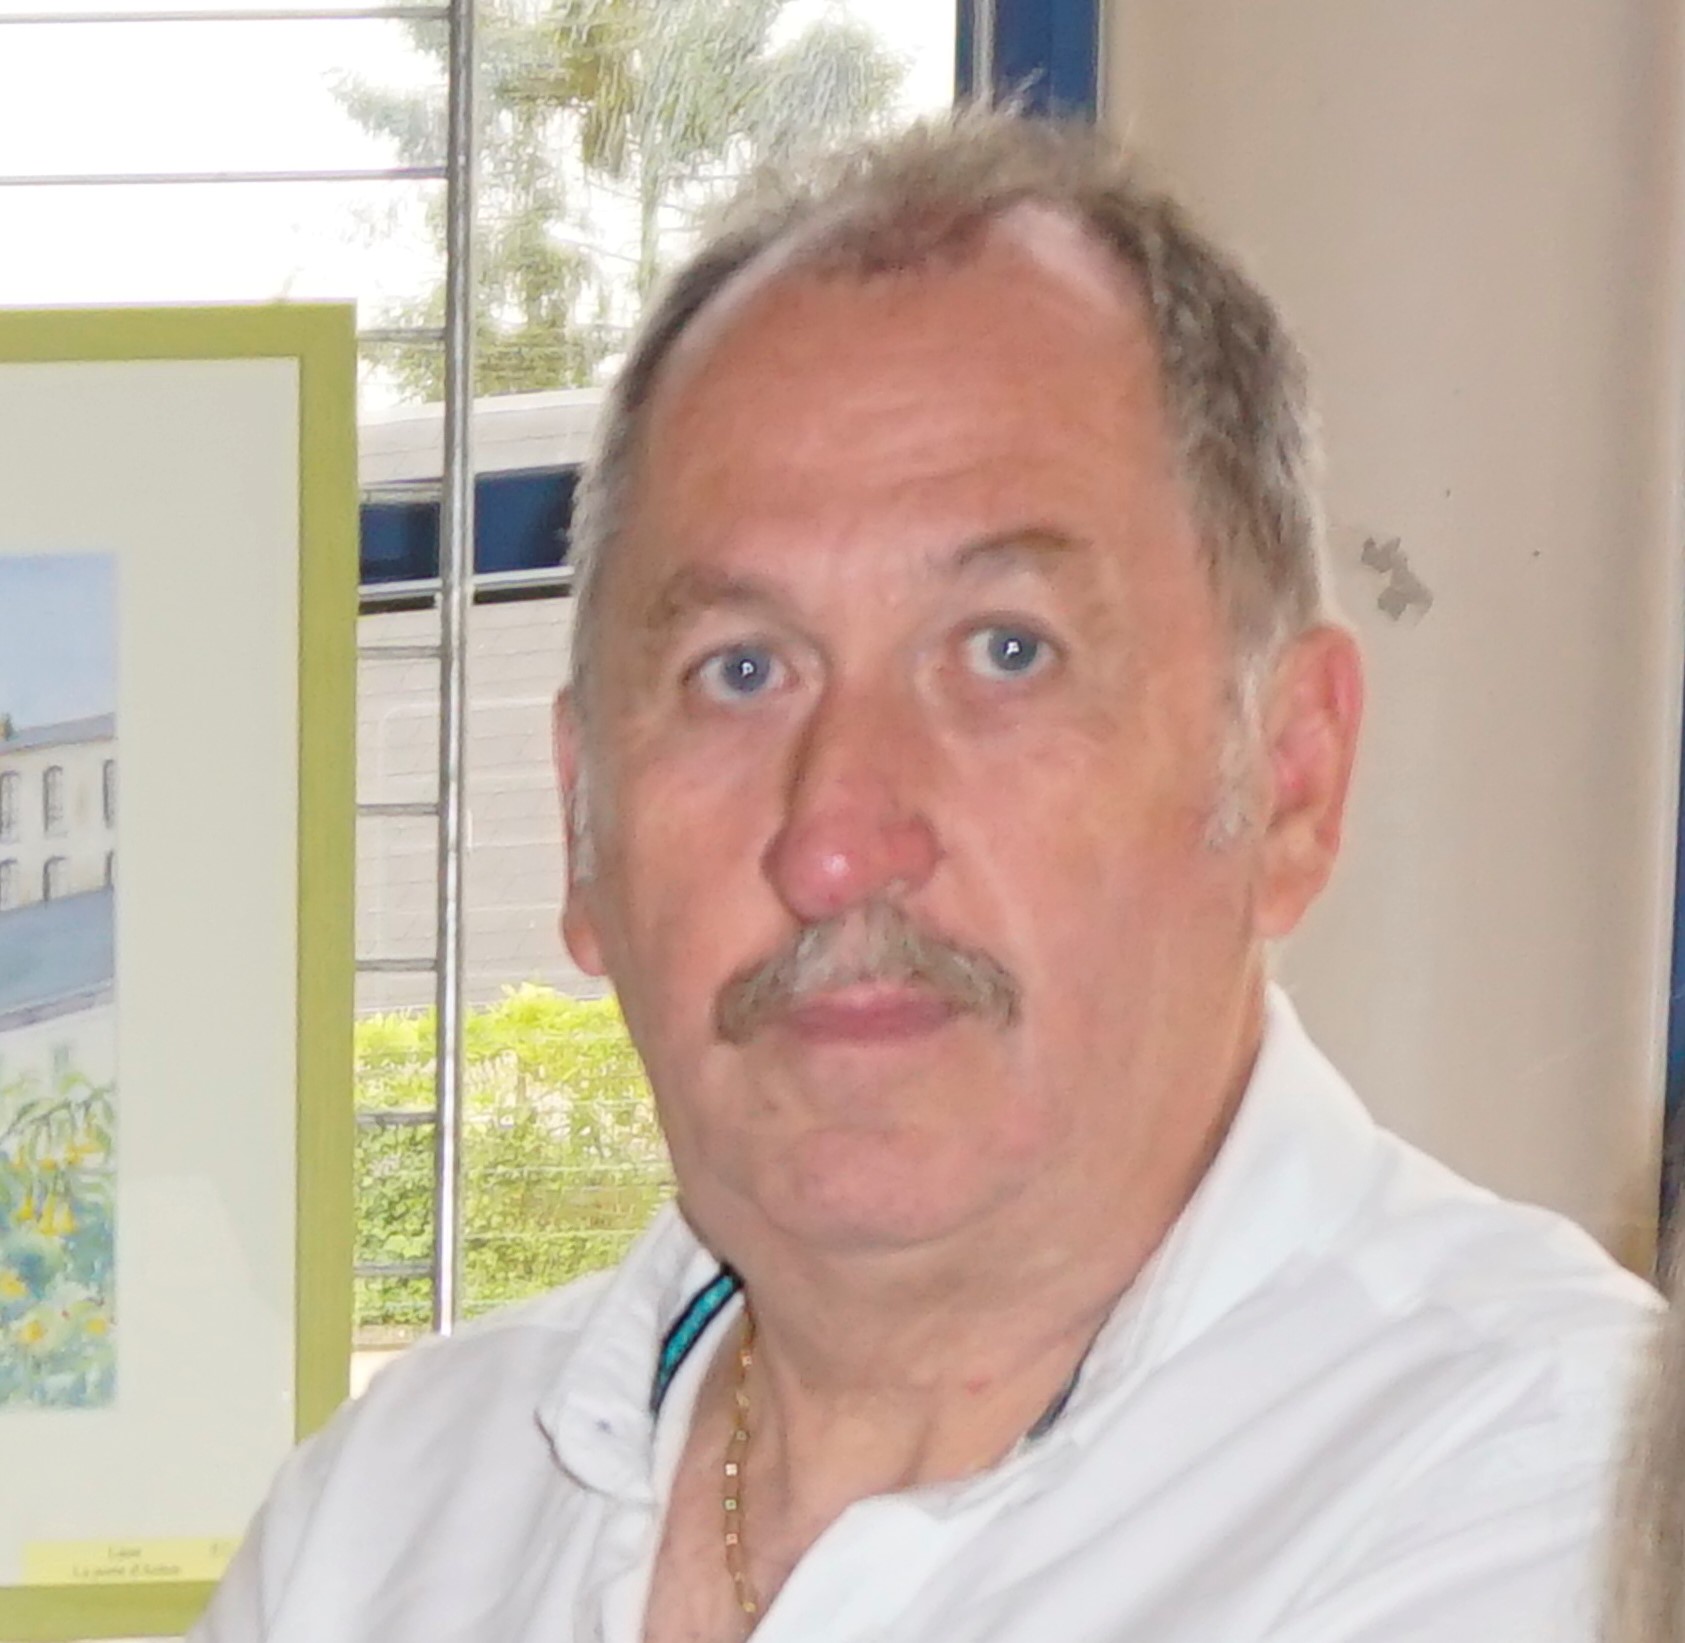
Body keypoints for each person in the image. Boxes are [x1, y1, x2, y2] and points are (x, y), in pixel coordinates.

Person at [193, 109, 1655, 1643]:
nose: (835, 840)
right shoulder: (392, 1517)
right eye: (739, 670)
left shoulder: (1569, 1497)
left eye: (1004, 653)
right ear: (581, 825)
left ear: (1286, 778)